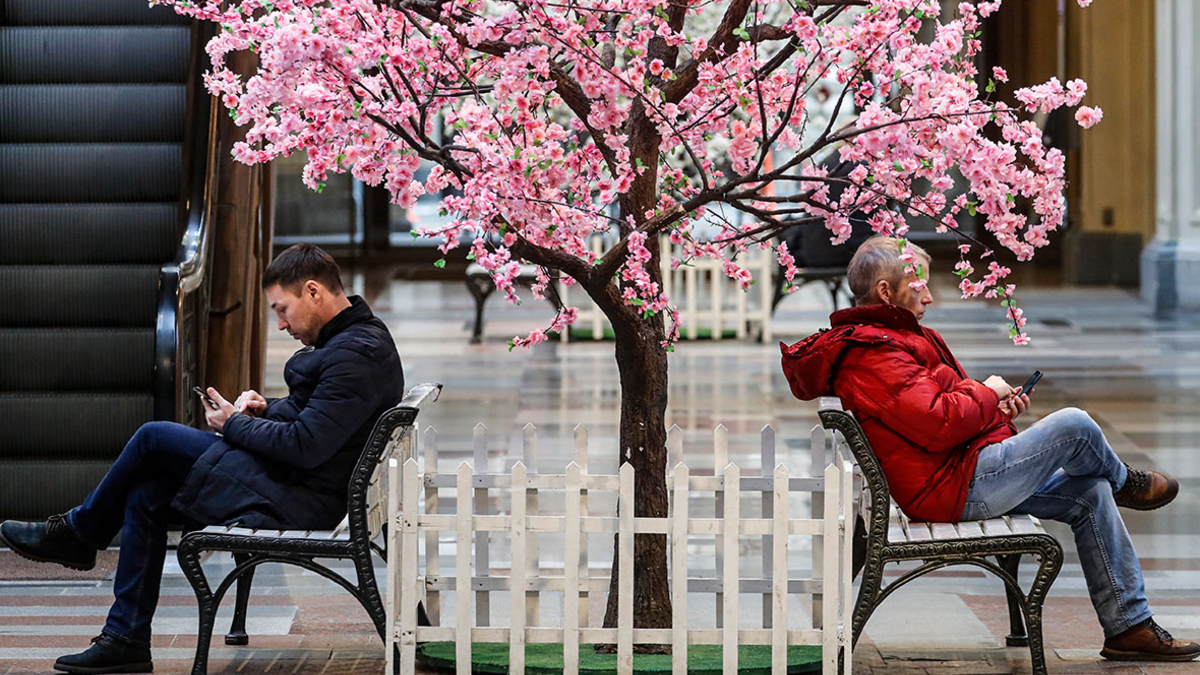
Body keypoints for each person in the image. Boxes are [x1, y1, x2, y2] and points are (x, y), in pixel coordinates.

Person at [780, 236, 1200, 662]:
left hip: (959, 470)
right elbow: (938, 422)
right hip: (948, 488)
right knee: (1074, 425)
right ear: (886, 292)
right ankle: (1127, 483)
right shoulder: (873, 354)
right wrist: (985, 392)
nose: (929, 295)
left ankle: (1128, 627)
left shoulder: (899, 340)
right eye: (918, 284)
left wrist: (996, 407)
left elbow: (942, 409)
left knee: (1091, 493)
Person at [0, 244, 404, 673]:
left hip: (305, 497)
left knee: (153, 437)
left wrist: (233, 424)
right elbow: (322, 419)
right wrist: (266, 409)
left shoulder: (353, 353)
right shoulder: (356, 342)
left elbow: (306, 446)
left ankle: (79, 533)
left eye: (282, 309)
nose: (282, 323)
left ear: (313, 292)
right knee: (148, 492)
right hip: (305, 484)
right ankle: (125, 639)